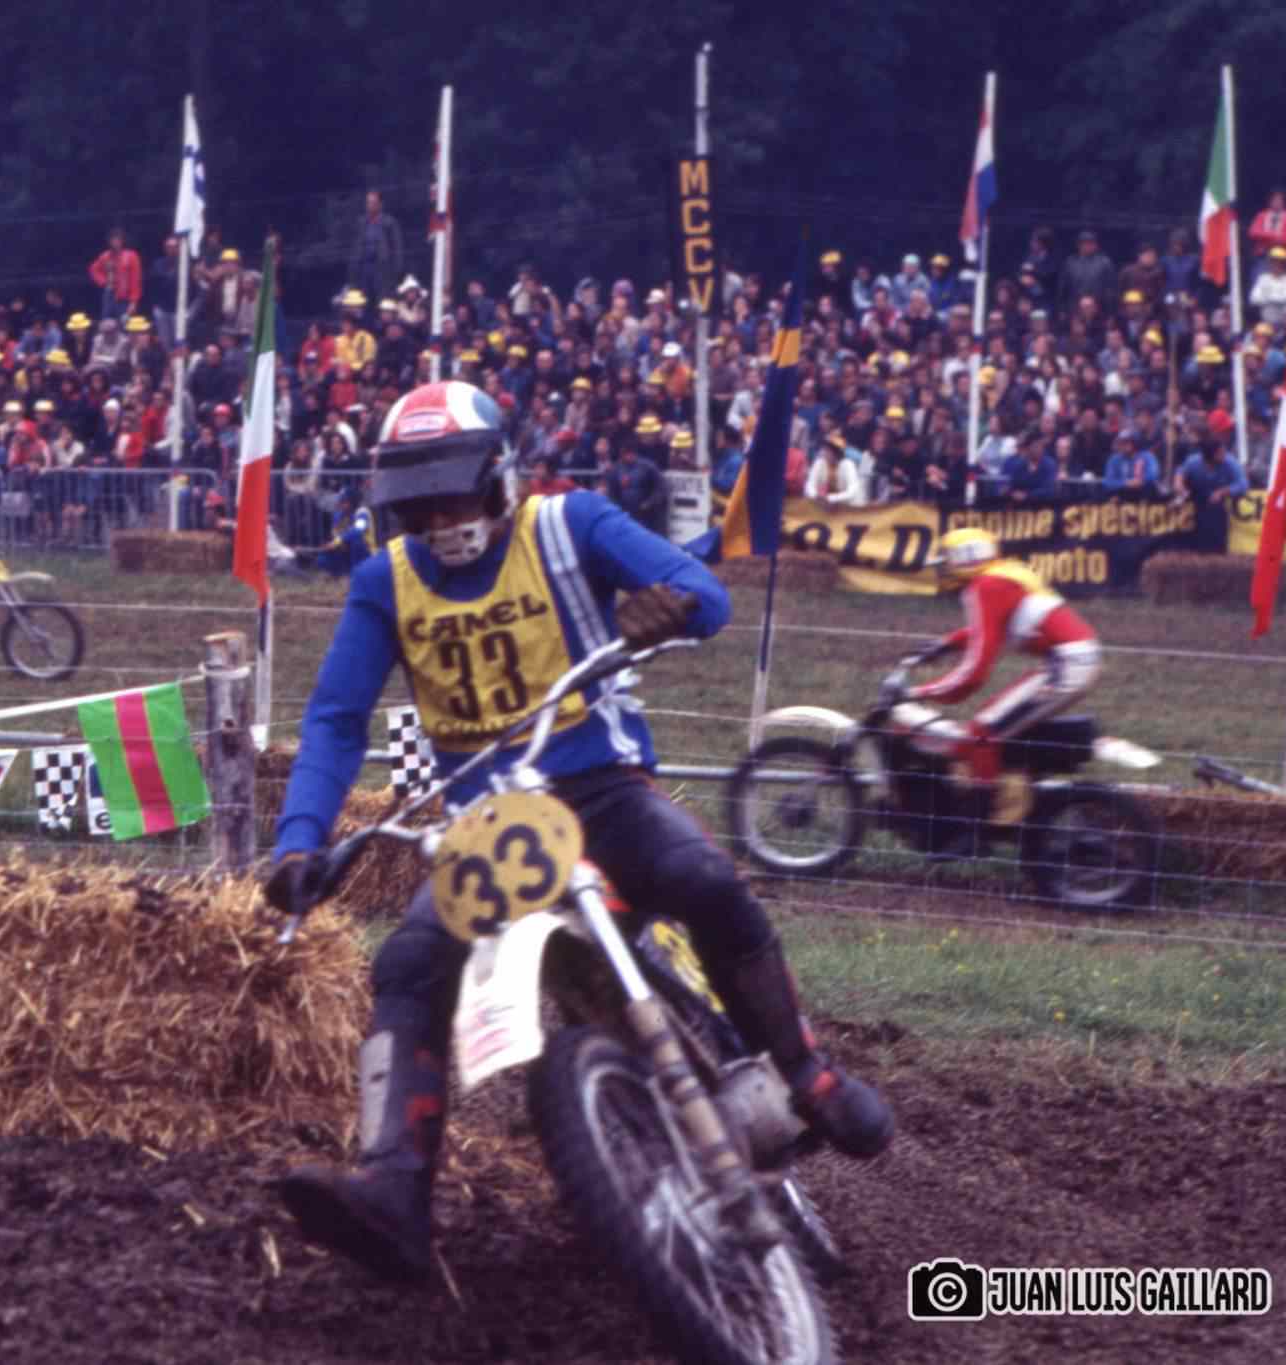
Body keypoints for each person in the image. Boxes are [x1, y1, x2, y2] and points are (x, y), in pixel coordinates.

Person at [264, 379, 892, 1286]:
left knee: (702, 875)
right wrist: (299, 839)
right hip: (489, 823)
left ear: (498, 475)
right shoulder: (383, 582)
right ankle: (393, 1192)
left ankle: (806, 1071)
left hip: (601, 787)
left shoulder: (572, 524)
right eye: (419, 501)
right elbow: (334, 720)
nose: (440, 517)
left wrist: (669, 606)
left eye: (453, 492)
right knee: (408, 961)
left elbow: (702, 591)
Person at [901, 528, 1101, 827]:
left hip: (1066, 665)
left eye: (948, 560)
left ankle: (978, 823)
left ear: (966, 558)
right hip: (1071, 659)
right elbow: (993, 626)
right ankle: (1009, 798)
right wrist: (947, 643)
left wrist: (922, 692)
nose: (943, 568)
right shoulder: (1005, 574)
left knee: (982, 731)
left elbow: (974, 672)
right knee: (993, 726)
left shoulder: (986, 585)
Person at [296, 480, 375, 577]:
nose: (341, 504)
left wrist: (338, 541)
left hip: (365, 553)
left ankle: (357, 573)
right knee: (322, 559)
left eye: (344, 502)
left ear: (353, 502)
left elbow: (358, 530)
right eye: (340, 501)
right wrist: (330, 546)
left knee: (356, 541)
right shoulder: (338, 515)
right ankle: (341, 573)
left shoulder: (362, 512)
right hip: (346, 553)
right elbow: (336, 535)